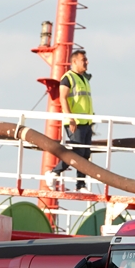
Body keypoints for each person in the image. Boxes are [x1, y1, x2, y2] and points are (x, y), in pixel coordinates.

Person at [47, 49, 93, 191]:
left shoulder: (84, 78)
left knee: (85, 154)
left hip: (86, 122)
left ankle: (80, 184)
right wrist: (70, 118)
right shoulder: (68, 78)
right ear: (74, 61)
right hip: (75, 122)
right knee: (76, 153)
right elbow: (63, 98)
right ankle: (54, 172)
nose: (86, 62)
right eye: (83, 60)